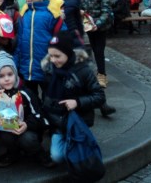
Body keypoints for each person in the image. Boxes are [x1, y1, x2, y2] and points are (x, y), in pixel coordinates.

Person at [41, 33, 105, 166]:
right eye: (50, 56)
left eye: (57, 56)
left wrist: (78, 102)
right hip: (57, 123)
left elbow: (99, 96)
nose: (53, 60)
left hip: (78, 122)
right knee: (57, 156)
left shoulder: (83, 71)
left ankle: (78, 144)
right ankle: (68, 143)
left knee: (71, 154)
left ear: (68, 53)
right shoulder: (50, 70)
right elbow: (47, 98)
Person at [14, 0, 66, 95]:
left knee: (49, 98)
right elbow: (20, 40)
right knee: (31, 98)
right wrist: (17, 62)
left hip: (46, 67)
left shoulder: (51, 13)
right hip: (27, 67)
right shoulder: (24, 13)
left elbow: (61, 39)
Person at [0, 51, 45, 167]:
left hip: (29, 129)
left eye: (10, 74)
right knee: (5, 136)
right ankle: (13, 154)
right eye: (1, 76)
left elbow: (38, 116)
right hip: (9, 130)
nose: (6, 79)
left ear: (15, 74)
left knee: (27, 139)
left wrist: (26, 124)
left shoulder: (25, 92)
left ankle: (40, 154)